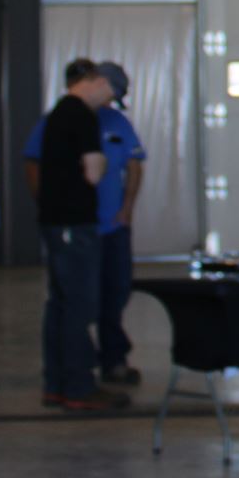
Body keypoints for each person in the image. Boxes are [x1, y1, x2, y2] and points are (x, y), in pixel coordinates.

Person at [37, 59, 125, 414]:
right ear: (100, 82)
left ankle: (56, 384)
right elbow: (92, 172)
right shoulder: (82, 115)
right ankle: (79, 386)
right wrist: (101, 163)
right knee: (79, 306)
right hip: (75, 223)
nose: (109, 103)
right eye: (112, 94)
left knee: (59, 304)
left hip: (56, 222)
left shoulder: (59, 113)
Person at [93, 61, 146, 386]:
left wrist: (126, 208)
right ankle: (79, 362)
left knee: (116, 292)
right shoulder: (66, 119)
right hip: (80, 229)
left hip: (113, 226)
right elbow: (35, 165)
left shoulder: (117, 122)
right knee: (78, 299)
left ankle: (113, 358)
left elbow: (135, 165)